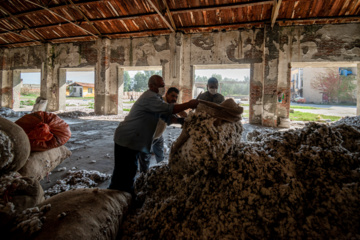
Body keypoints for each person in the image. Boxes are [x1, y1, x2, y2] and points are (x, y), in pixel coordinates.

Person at [108, 75, 198, 195]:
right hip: (127, 138)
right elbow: (168, 109)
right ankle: (118, 197)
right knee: (125, 171)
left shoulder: (157, 98)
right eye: (161, 86)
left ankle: (120, 194)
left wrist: (182, 121)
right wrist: (189, 104)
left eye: (163, 85)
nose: (163, 88)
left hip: (135, 139)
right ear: (151, 86)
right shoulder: (149, 97)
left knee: (128, 170)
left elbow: (166, 117)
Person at [138, 87, 186, 173]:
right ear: (167, 94)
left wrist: (185, 115)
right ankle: (143, 177)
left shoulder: (170, 104)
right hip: (147, 137)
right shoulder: (160, 103)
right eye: (172, 96)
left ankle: (161, 170)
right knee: (145, 160)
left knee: (160, 156)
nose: (174, 99)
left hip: (158, 135)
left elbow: (177, 110)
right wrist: (181, 119)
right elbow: (169, 116)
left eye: (176, 97)